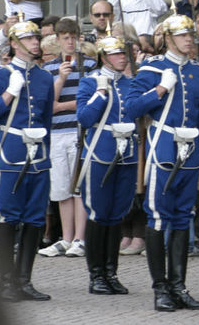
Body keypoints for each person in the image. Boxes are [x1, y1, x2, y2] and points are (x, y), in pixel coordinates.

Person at [125, 14, 199, 312]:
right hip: (163, 150)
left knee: (182, 218)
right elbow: (132, 107)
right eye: (183, 35)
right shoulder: (153, 68)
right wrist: (160, 89)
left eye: (191, 34)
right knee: (159, 217)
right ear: (169, 38)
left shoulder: (198, 72)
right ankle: (160, 288)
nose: (190, 39)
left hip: (190, 152)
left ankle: (178, 286)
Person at [0, 18, 54, 301]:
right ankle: (8, 282)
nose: (35, 42)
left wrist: (45, 153)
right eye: (28, 39)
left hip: (37, 155)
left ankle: (25, 281)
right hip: (9, 154)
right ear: (13, 44)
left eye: (36, 38)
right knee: (8, 218)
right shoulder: (1, 76)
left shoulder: (45, 77)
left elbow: (46, 119)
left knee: (35, 219)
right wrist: (9, 93)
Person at [75, 36, 137, 295]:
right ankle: (96, 274)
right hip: (100, 153)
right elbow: (85, 118)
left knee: (116, 215)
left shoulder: (131, 84)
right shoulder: (89, 82)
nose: (123, 57)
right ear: (103, 58)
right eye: (116, 54)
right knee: (99, 214)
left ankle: (111, 272)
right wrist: (100, 93)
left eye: (124, 53)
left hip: (127, 154)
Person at [39, 18, 98, 259]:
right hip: (57, 133)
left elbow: (91, 100)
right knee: (62, 188)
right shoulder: (50, 69)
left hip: (78, 130)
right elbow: (47, 106)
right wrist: (61, 79)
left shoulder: (90, 65)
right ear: (58, 40)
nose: (70, 42)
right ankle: (65, 238)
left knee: (78, 187)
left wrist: (62, 105)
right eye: (65, 38)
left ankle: (80, 238)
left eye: (73, 37)